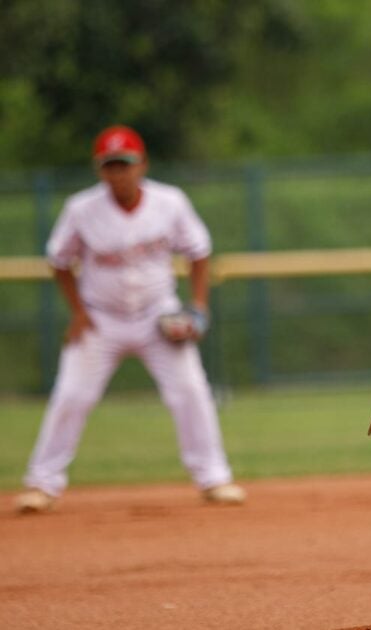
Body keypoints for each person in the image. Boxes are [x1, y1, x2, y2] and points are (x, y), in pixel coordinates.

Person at [13, 125, 246, 514]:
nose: (119, 172)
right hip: (100, 320)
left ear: (142, 165)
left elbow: (199, 251)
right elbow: (59, 261)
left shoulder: (170, 202)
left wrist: (199, 306)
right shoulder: (81, 209)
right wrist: (78, 313)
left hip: (159, 316)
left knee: (190, 391)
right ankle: (42, 484)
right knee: (72, 394)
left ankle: (214, 479)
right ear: (99, 169)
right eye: (111, 165)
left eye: (125, 164)